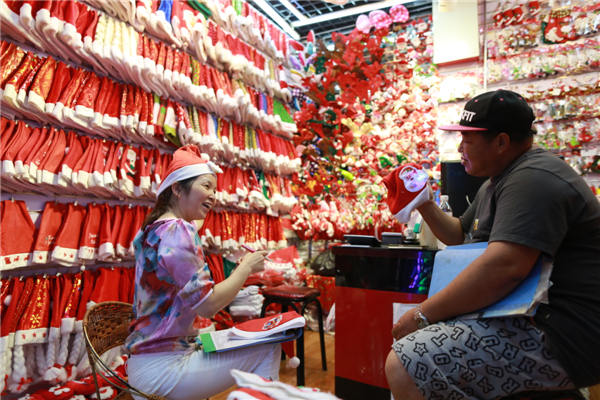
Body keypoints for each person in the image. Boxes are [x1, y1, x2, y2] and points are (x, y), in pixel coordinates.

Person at [384, 89, 600, 399]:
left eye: (468, 140)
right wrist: (424, 202)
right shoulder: (501, 179)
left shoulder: (533, 178)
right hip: (537, 320)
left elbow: (505, 266)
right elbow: (459, 233)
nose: (460, 148)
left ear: (500, 142)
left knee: (407, 361)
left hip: (564, 335)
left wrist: (422, 315)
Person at [125, 145, 281, 400]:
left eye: (215, 190)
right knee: (269, 348)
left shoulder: (152, 228)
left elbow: (190, 224)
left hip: (146, 361)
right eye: (206, 186)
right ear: (176, 188)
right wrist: (246, 267)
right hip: (164, 367)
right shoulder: (178, 232)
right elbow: (208, 306)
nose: (213, 196)